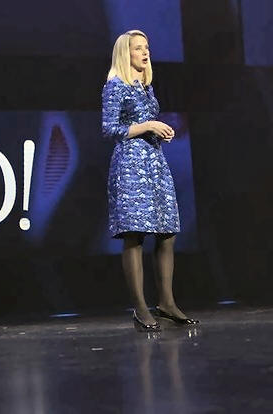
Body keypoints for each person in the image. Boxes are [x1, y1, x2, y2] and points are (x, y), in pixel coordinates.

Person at [101, 30, 199, 332]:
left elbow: (145, 125)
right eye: (138, 48)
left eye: (146, 47)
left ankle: (167, 303)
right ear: (125, 53)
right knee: (135, 235)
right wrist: (148, 126)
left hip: (155, 163)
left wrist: (159, 131)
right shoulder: (115, 85)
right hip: (130, 165)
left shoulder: (145, 86)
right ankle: (141, 309)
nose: (145, 53)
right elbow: (110, 128)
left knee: (167, 232)